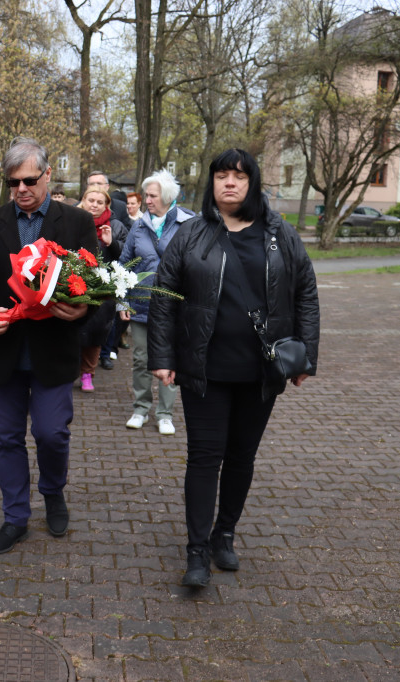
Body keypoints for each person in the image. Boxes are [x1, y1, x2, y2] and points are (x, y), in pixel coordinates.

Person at [147, 148, 319, 588]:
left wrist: (305, 356)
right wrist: (163, 358)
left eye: (239, 176)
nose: (230, 183)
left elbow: (305, 292)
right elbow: (165, 296)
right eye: (222, 175)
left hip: (261, 370)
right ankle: (197, 551)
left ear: (252, 182)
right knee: (205, 458)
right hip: (204, 369)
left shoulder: (280, 234)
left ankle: (226, 534)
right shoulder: (191, 234)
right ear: (212, 183)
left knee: (242, 457)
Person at [0, 137, 96, 555]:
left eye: (30, 180)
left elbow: (97, 285)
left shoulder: (76, 223)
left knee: (52, 433)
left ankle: (53, 491)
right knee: (8, 439)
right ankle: (15, 517)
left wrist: (82, 310)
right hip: (4, 351)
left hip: (54, 350)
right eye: (12, 182)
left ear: (48, 176)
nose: (21, 189)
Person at [119, 170, 195, 435]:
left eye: (151, 196)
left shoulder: (189, 224)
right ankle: (140, 408)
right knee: (141, 359)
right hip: (140, 305)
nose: (146, 200)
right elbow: (123, 267)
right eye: (146, 195)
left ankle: (165, 414)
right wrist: (121, 303)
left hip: (175, 309)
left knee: (169, 361)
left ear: (166, 196)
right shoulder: (138, 226)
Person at [76, 185, 123, 392]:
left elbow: (125, 256)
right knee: (72, 330)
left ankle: (88, 374)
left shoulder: (115, 225)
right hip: (73, 285)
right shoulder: (72, 220)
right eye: (91, 200)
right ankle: (69, 371)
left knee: (95, 333)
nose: (94, 205)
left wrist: (111, 243)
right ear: (84, 200)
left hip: (102, 288)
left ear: (106, 205)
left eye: (99, 202)